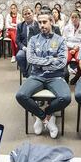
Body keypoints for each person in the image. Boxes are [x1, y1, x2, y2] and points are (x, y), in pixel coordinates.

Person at [15, 10, 71, 139]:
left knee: (66, 98)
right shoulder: (33, 40)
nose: (42, 25)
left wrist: (41, 63)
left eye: (44, 22)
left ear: (51, 22)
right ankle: (44, 118)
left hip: (55, 77)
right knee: (20, 95)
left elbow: (62, 62)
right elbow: (30, 59)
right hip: (36, 76)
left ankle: (46, 113)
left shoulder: (60, 40)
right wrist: (52, 60)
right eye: (39, 22)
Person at [62, 11, 81, 82]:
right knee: (66, 60)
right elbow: (63, 40)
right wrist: (72, 47)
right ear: (70, 18)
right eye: (72, 17)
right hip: (68, 48)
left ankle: (77, 76)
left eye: (76, 17)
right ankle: (66, 75)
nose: (74, 19)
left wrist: (76, 48)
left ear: (79, 18)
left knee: (80, 60)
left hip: (78, 49)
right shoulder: (66, 28)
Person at [16, 7, 37, 77]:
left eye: (29, 13)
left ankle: (36, 74)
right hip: (25, 48)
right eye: (25, 14)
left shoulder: (38, 24)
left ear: (33, 14)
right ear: (23, 16)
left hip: (36, 48)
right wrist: (24, 48)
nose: (27, 15)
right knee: (19, 56)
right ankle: (26, 75)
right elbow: (17, 40)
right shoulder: (20, 26)